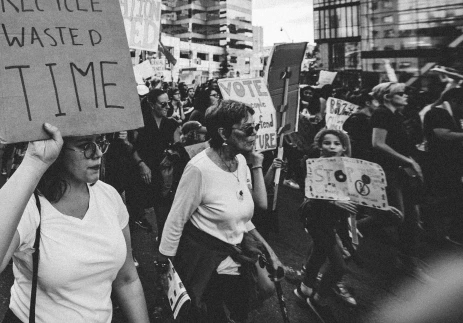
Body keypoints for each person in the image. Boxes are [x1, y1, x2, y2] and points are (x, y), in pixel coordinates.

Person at [0, 123, 150, 323]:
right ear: (57, 149)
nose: (98, 153)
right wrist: (34, 162)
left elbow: (127, 280)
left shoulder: (109, 197)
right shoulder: (30, 206)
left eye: (100, 141)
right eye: (85, 145)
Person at [158, 100, 281, 323]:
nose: (254, 134)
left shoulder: (241, 161)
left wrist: (269, 252)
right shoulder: (199, 169)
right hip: (206, 264)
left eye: (256, 127)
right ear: (223, 133)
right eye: (247, 129)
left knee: (241, 313)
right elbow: (175, 220)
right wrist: (166, 271)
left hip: (238, 260)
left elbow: (243, 216)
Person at [294, 129, 359, 319]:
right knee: (339, 267)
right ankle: (317, 299)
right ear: (319, 145)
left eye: (336, 143)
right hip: (316, 219)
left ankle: (305, 289)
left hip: (334, 221)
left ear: (344, 147)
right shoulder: (313, 164)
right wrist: (334, 201)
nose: (331, 147)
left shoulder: (348, 168)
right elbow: (310, 191)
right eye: (327, 143)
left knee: (319, 253)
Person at [371, 82, 424, 274]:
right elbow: (378, 143)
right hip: (388, 171)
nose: (406, 96)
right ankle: (350, 229)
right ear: (387, 96)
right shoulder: (382, 113)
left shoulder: (396, 115)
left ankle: (408, 259)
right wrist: (408, 161)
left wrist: (411, 162)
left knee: (412, 216)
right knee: (396, 216)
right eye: (401, 93)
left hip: (400, 171)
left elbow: (401, 144)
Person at [131, 89, 180, 235]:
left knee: (163, 207)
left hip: (163, 173)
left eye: (168, 103)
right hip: (144, 172)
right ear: (152, 105)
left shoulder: (171, 124)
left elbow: (177, 148)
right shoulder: (140, 123)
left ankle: (161, 238)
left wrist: (173, 152)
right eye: (163, 104)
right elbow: (132, 147)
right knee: (144, 208)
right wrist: (141, 164)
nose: (167, 107)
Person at [422, 86, 463, 245]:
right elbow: (442, 134)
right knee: (443, 197)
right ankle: (436, 233)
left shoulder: (452, 113)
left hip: (451, 163)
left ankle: (447, 232)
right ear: (454, 101)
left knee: (454, 197)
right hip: (439, 164)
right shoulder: (436, 112)